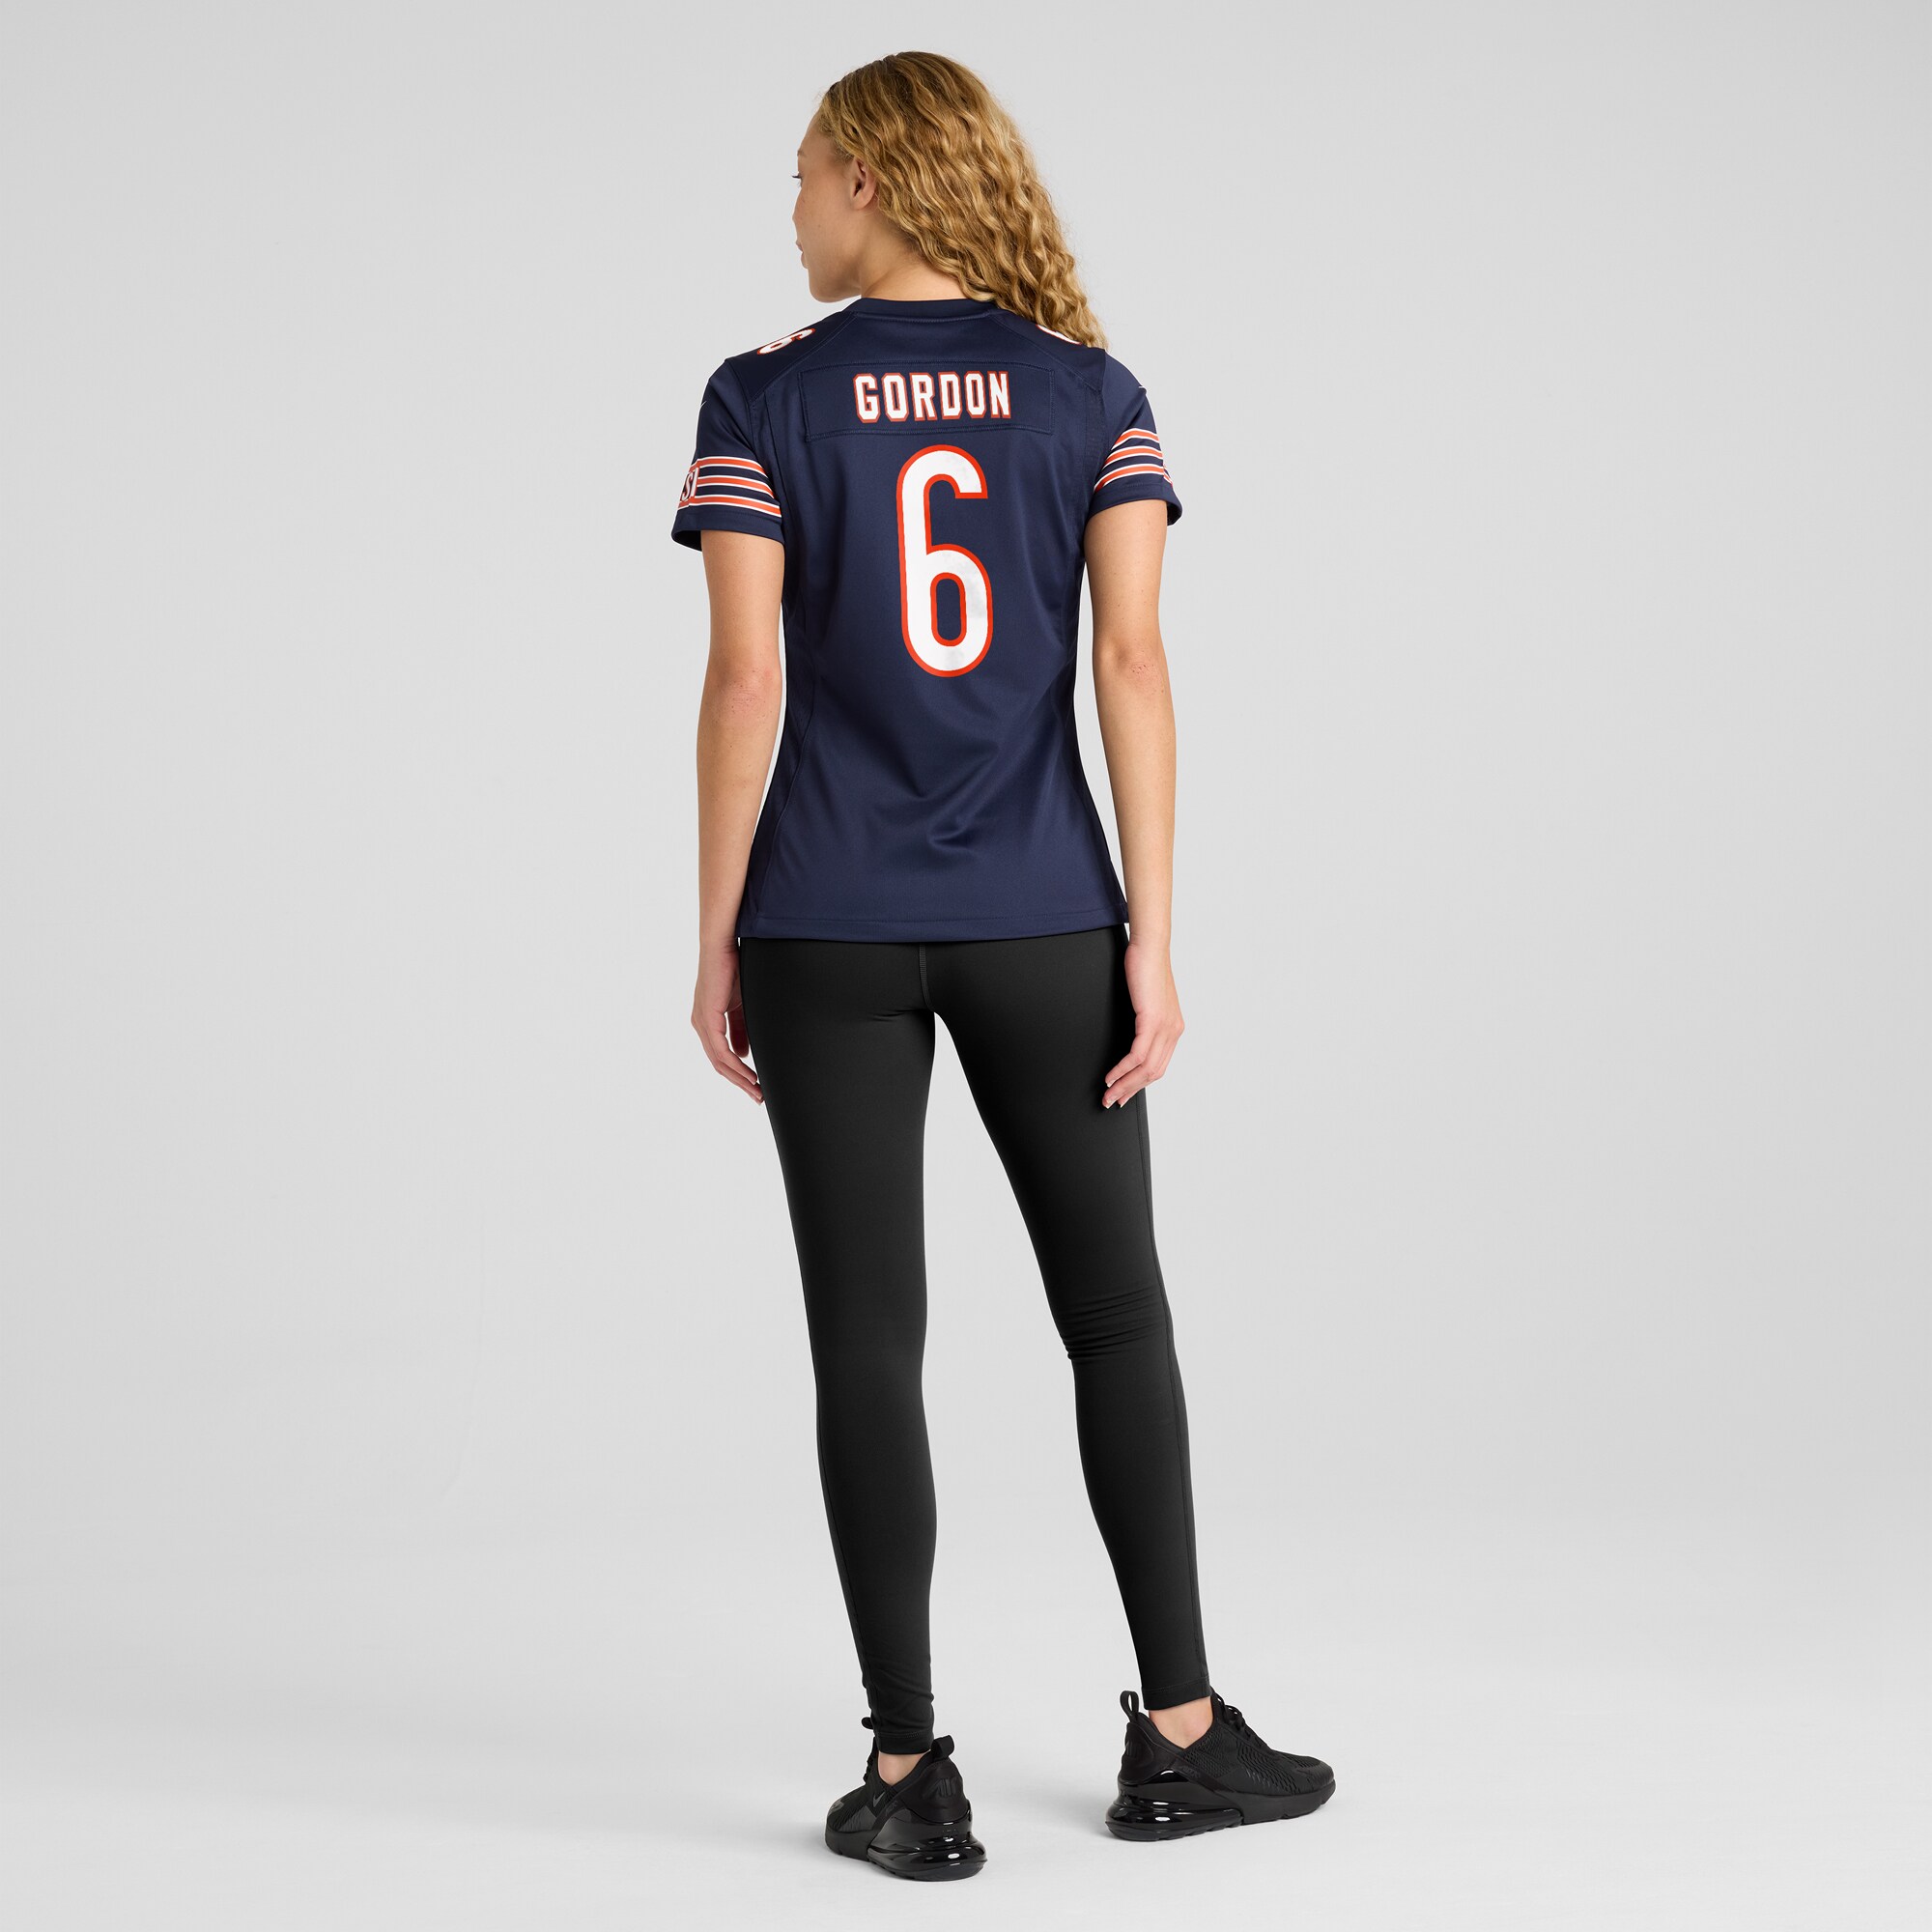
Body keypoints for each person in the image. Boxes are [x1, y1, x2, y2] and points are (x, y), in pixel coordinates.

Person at [676, 51, 1335, 1880]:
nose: (791, 208)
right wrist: (1156, 938)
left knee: (865, 1339)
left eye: (804, 173)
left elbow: (747, 679)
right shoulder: (1089, 395)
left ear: (875, 179)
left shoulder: (760, 396)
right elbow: (1133, 666)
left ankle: (907, 1775)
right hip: (1047, 912)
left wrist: (717, 930)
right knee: (1114, 1313)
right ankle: (1182, 1741)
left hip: (824, 917)